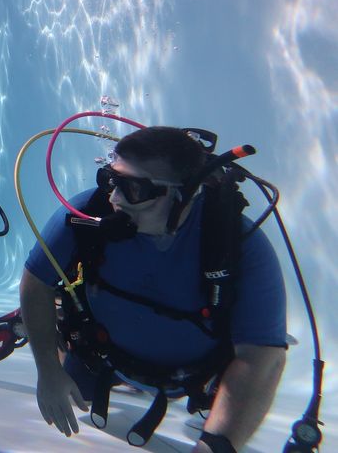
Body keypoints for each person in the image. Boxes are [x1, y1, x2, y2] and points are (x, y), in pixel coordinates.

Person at [19, 126, 287, 453]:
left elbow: (261, 356)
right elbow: (36, 281)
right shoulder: (86, 213)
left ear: (184, 194)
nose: (114, 199)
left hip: (197, 376)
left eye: (134, 188)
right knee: (76, 388)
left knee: (235, 402)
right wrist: (47, 369)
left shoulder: (237, 243)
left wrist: (215, 445)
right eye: (111, 180)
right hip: (105, 354)